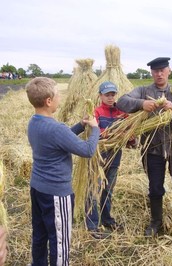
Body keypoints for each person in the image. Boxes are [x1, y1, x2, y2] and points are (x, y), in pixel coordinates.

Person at [116, 57, 172, 242]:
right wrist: (141, 104)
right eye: (155, 71)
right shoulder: (144, 91)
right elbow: (122, 101)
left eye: (162, 70)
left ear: (169, 70)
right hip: (152, 151)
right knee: (155, 188)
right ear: (152, 73)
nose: (159, 74)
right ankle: (156, 223)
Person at [26, 77, 100, 266]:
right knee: (60, 242)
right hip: (56, 194)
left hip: (38, 188)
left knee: (40, 235)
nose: (60, 97)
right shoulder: (56, 128)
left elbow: (59, 138)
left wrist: (80, 125)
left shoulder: (34, 122)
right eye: (58, 94)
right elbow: (87, 150)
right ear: (48, 101)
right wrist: (95, 129)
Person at [85, 81, 126, 239]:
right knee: (93, 190)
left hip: (115, 157)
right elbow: (92, 131)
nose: (110, 97)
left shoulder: (121, 112)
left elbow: (129, 130)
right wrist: (110, 133)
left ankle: (107, 219)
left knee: (108, 190)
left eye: (113, 94)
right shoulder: (95, 112)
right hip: (98, 158)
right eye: (107, 94)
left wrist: (130, 138)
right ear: (100, 96)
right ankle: (92, 224)